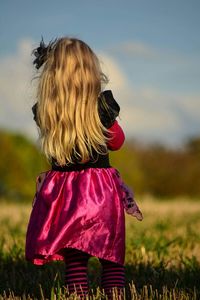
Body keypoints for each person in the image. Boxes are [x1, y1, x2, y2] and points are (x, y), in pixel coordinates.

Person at [25, 37, 143, 299]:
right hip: (99, 194)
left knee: (75, 258)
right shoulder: (102, 108)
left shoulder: (47, 112)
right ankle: (114, 294)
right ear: (90, 73)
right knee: (111, 255)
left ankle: (77, 296)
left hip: (64, 196)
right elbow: (118, 143)